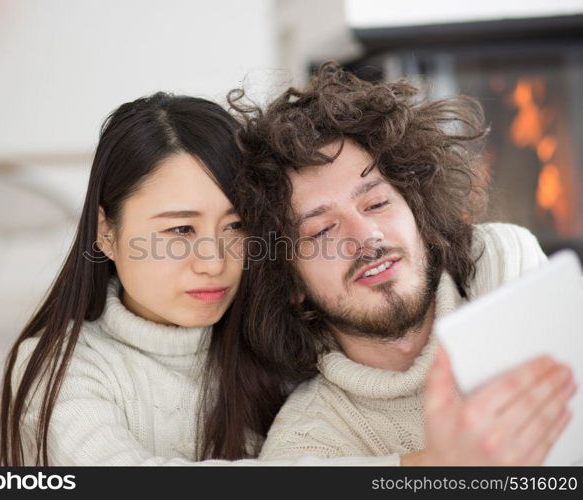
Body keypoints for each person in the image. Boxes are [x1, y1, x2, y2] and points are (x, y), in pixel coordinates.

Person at [0, 92, 399, 466]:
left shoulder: (275, 337)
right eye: (181, 230)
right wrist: (411, 469)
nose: (213, 262)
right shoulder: (56, 366)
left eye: (236, 225)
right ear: (106, 231)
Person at [226, 62, 576, 465]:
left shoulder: (503, 264)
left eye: (376, 203)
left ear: (417, 210)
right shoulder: (305, 446)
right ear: (290, 282)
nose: (366, 237)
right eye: (321, 230)